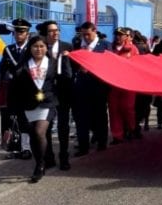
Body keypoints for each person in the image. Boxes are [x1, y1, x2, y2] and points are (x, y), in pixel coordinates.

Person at [8, 35, 70, 182]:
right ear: (30, 48)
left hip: (48, 103)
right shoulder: (23, 65)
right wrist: (12, 108)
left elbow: (65, 78)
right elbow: (14, 88)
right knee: (34, 136)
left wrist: (66, 60)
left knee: (39, 131)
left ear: (45, 48)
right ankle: (41, 160)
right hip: (28, 104)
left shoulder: (54, 63)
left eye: (42, 46)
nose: (39, 49)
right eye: (35, 46)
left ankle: (39, 166)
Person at [0, 18, 33, 159]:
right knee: (11, 119)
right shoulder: (8, 50)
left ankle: (27, 148)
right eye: (16, 32)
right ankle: (14, 148)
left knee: (25, 119)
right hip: (12, 90)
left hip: (28, 90)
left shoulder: (32, 48)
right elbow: (1, 69)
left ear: (27, 33)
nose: (18, 34)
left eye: (22, 32)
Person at [71, 21, 112, 156]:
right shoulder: (78, 45)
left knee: (99, 116)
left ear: (95, 31)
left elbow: (110, 66)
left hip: (99, 88)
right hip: (81, 88)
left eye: (88, 34)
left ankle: (101, 142)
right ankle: (83, 146)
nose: (86, 38)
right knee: (81, 118)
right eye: (83, 35)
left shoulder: (105, 46)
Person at [39, 20, 74, 170]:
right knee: (45, 125)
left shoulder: (67, 46)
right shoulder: (39, 48)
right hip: (46, 92)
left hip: (64, 92)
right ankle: (48, 157)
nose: (55, 33)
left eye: (57, 30)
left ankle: (64, 156)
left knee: (63, 125)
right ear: (45, 35)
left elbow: (73, 70)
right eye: (51, 31)